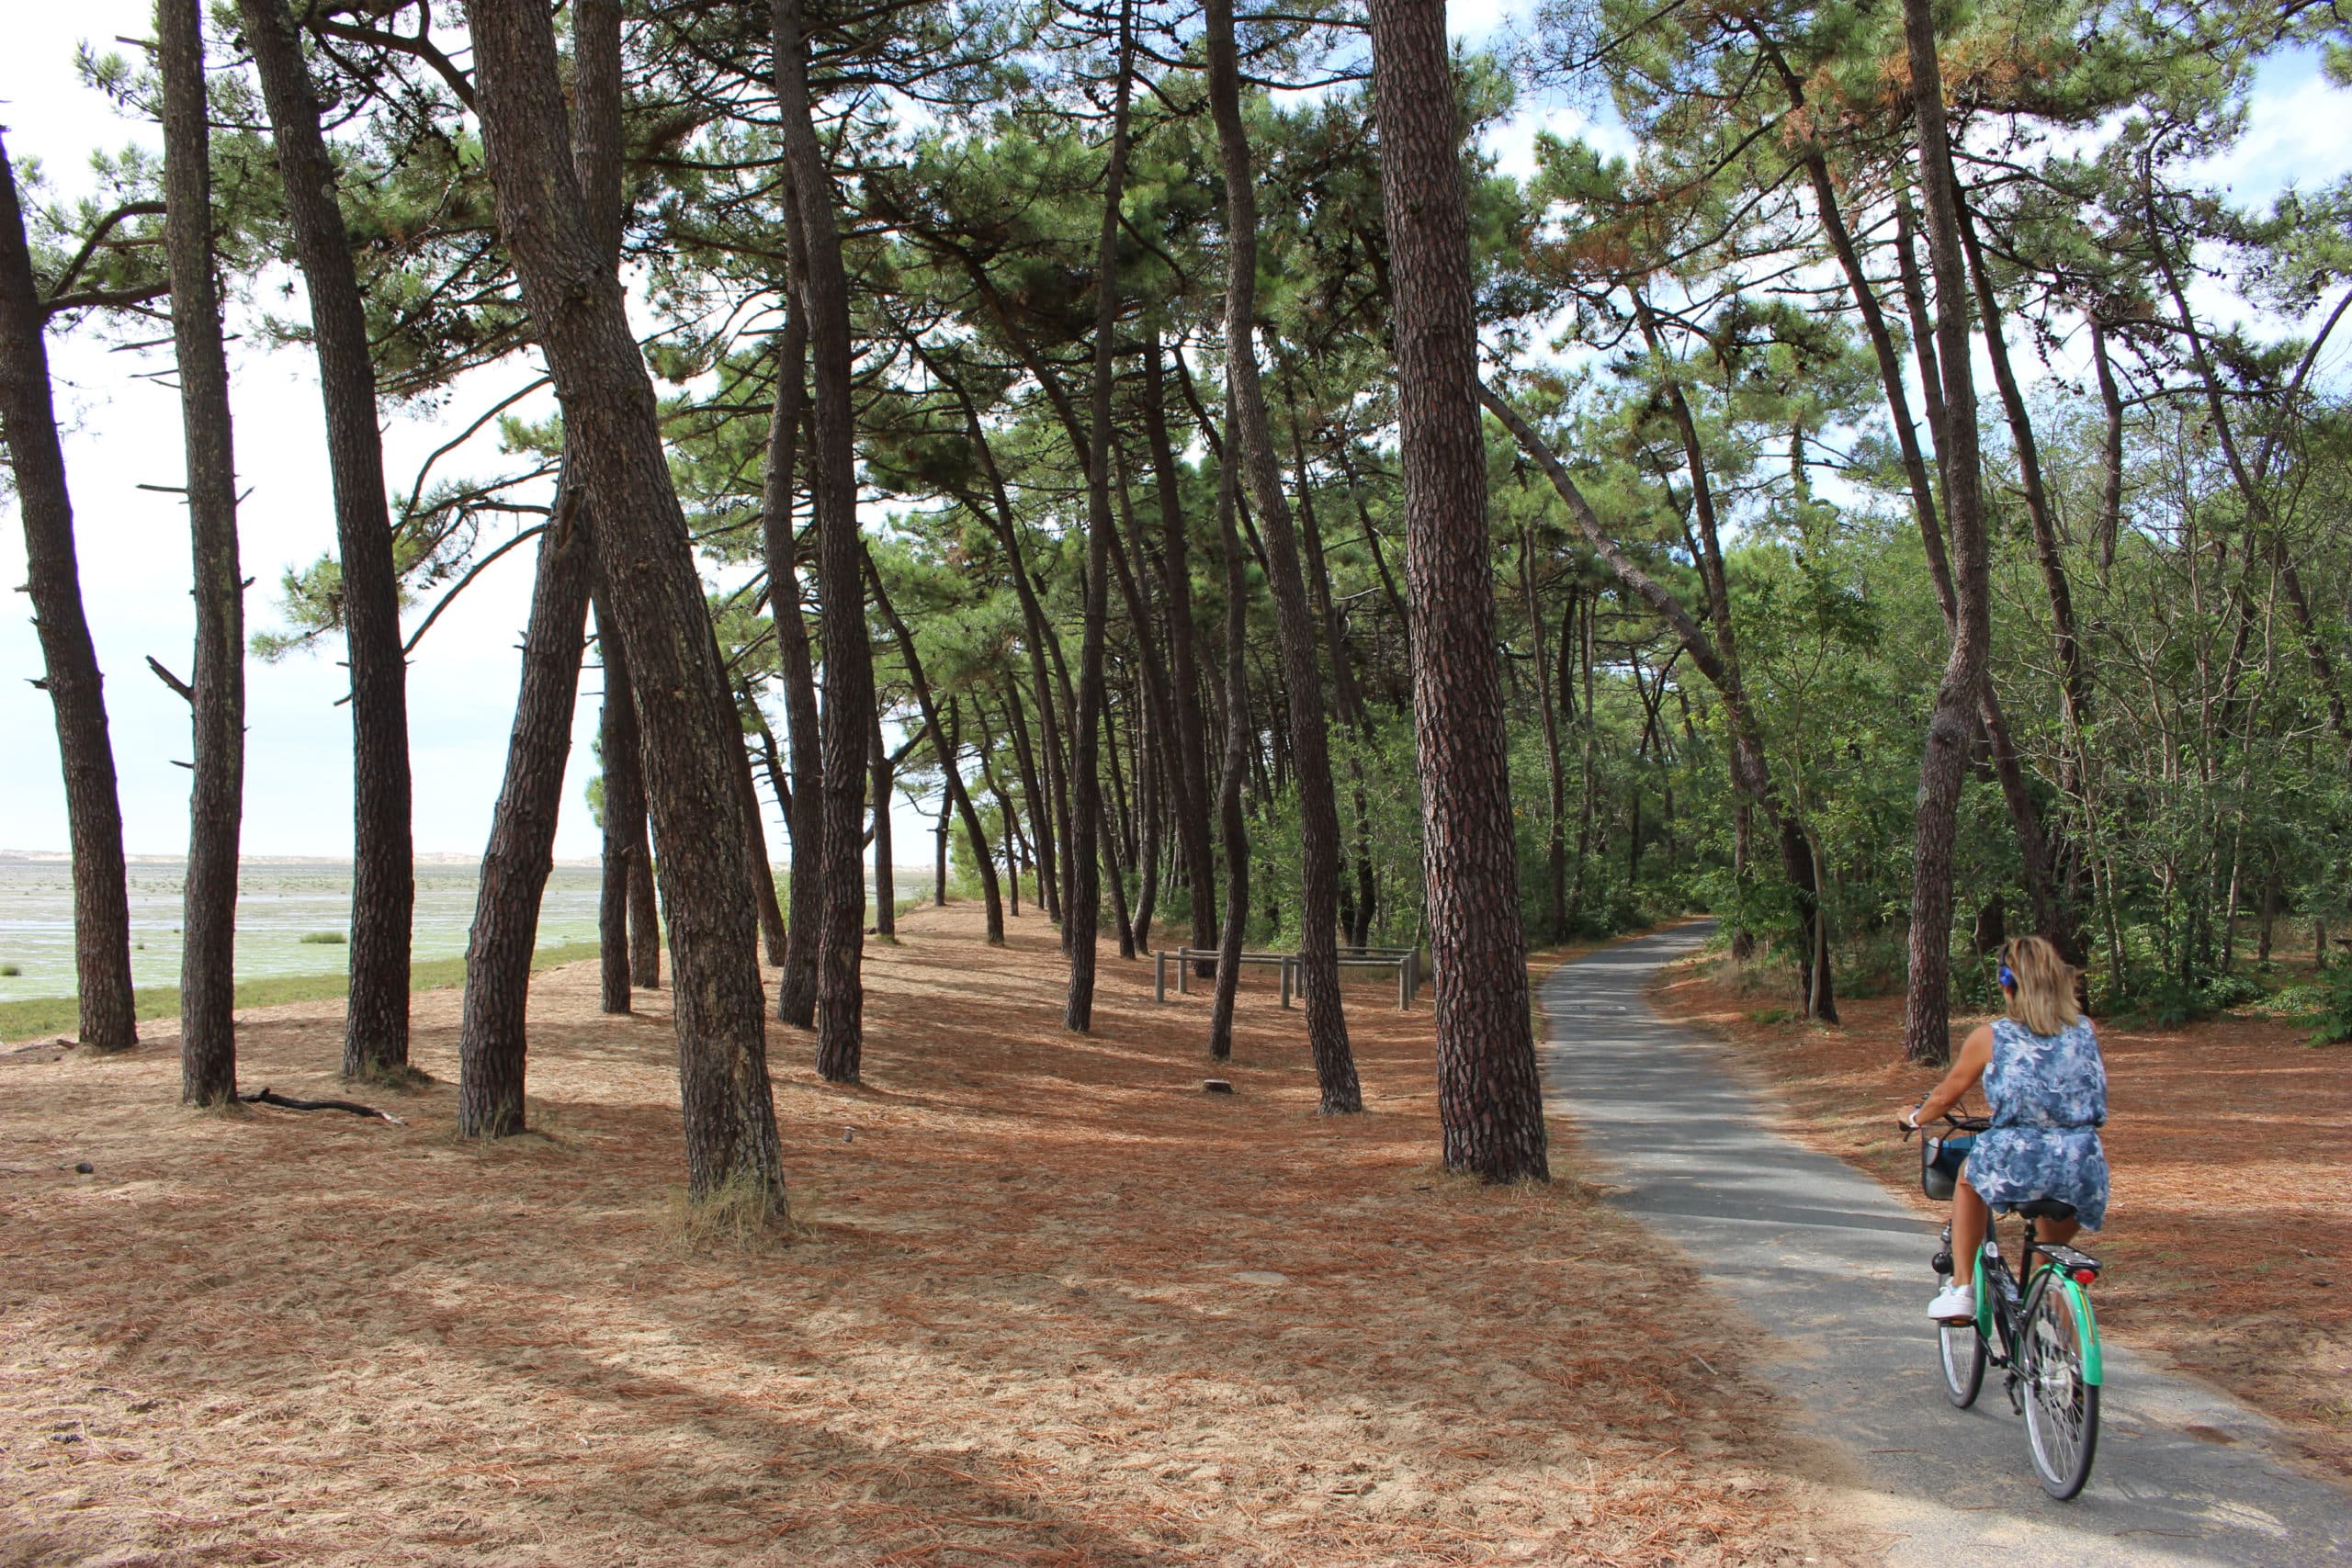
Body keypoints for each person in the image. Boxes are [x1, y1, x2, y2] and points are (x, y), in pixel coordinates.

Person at [1900, 935, 2109, 1323]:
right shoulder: (2086, 1029)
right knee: (2051, 1263)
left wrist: (1914, 1118)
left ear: (2005, 983)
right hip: (2082, 1160)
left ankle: (1961, 1288)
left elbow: (1946, 1096)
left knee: (1968, 1179)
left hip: (2018, 1155)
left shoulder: (1993, 1035)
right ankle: (2062, 1353)